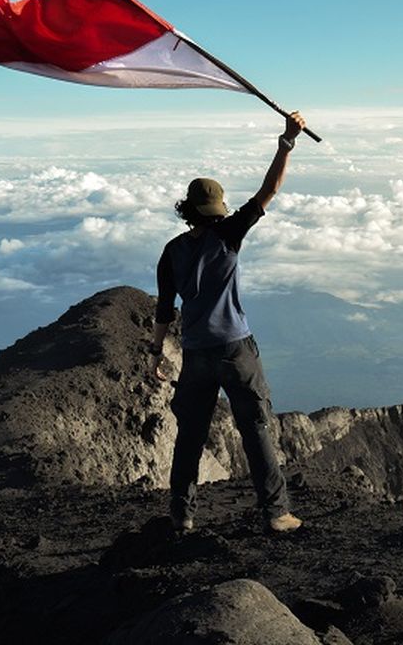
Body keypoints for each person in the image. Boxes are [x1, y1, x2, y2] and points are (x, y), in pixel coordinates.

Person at [149, 111, 308, 534]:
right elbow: (269, 189)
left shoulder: (171, 251)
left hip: (196, 352)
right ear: (216, 209)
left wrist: (156, 353)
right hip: (236, 348)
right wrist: (287, 141)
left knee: (190, 437)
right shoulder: (228, 234)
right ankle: (276, 513)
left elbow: (165, 309)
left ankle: (181, 515)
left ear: (188, 210)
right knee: (255, 428)